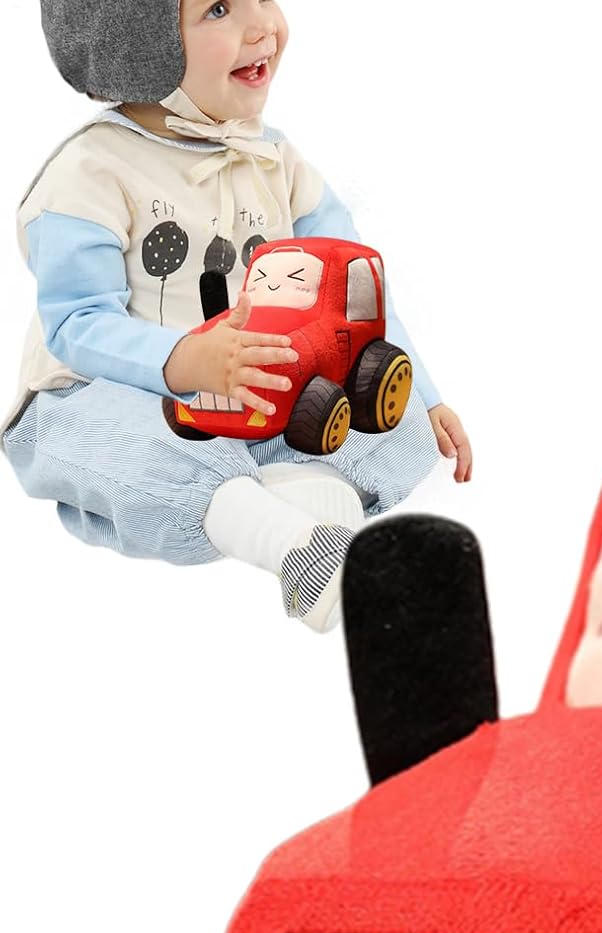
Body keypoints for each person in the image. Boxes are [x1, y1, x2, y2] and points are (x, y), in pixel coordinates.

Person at [4, 0, 474, 630]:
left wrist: (426, 393)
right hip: (112, 390)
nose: (263, 26)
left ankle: (304, 502)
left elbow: (357, 290)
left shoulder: (275, 161)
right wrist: (184, 362)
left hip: (257, 394)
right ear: (140, 47)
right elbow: (77, 324)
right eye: (219, 9)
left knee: (399, 424)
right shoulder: (90, 172)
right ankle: (287, 541)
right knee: (128, 442)